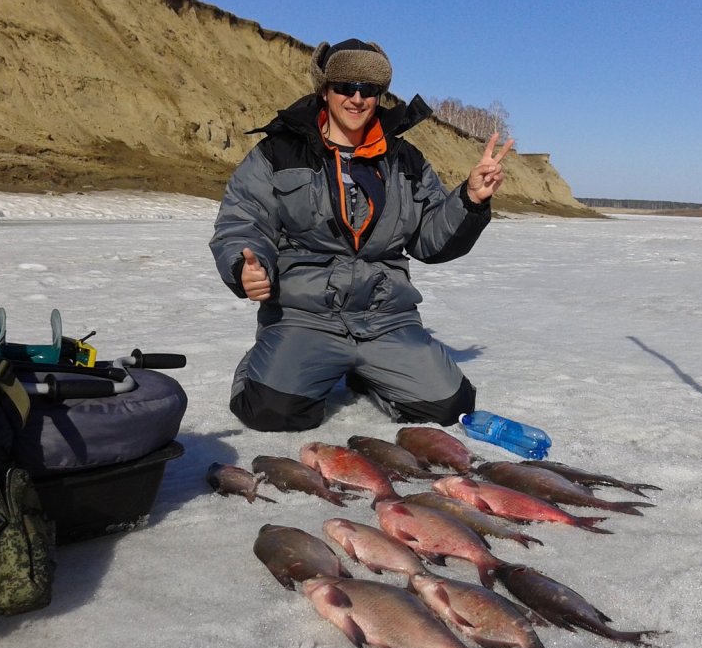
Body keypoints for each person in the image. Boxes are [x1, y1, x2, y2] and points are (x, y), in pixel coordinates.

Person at [210, 38, 512, 432]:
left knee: (449, 406)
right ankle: (267, 359)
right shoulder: (277, 153)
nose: (357, 98)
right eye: (345, 87)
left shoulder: (405, 160)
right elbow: (242, 221)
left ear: (379, 96)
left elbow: (430, 240)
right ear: (325, 90)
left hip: (386, 318)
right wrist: (244, 266)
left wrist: (469, 200)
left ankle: (367, 372)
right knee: (270, 410)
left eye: (369, 90)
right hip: (306, 316)